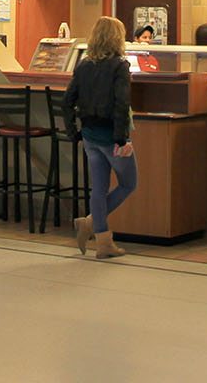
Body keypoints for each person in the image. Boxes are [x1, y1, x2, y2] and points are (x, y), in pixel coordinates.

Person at [62, 15, 136, 259]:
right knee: (128, 183)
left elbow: (67, 101)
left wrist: (74, 132)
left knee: (99, 188)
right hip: (111, 137)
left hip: (90, 135)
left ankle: (102, 240)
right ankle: (93, 227)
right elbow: (121, 103)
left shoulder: (83, 65)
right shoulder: (120, 66)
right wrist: (121, 139)